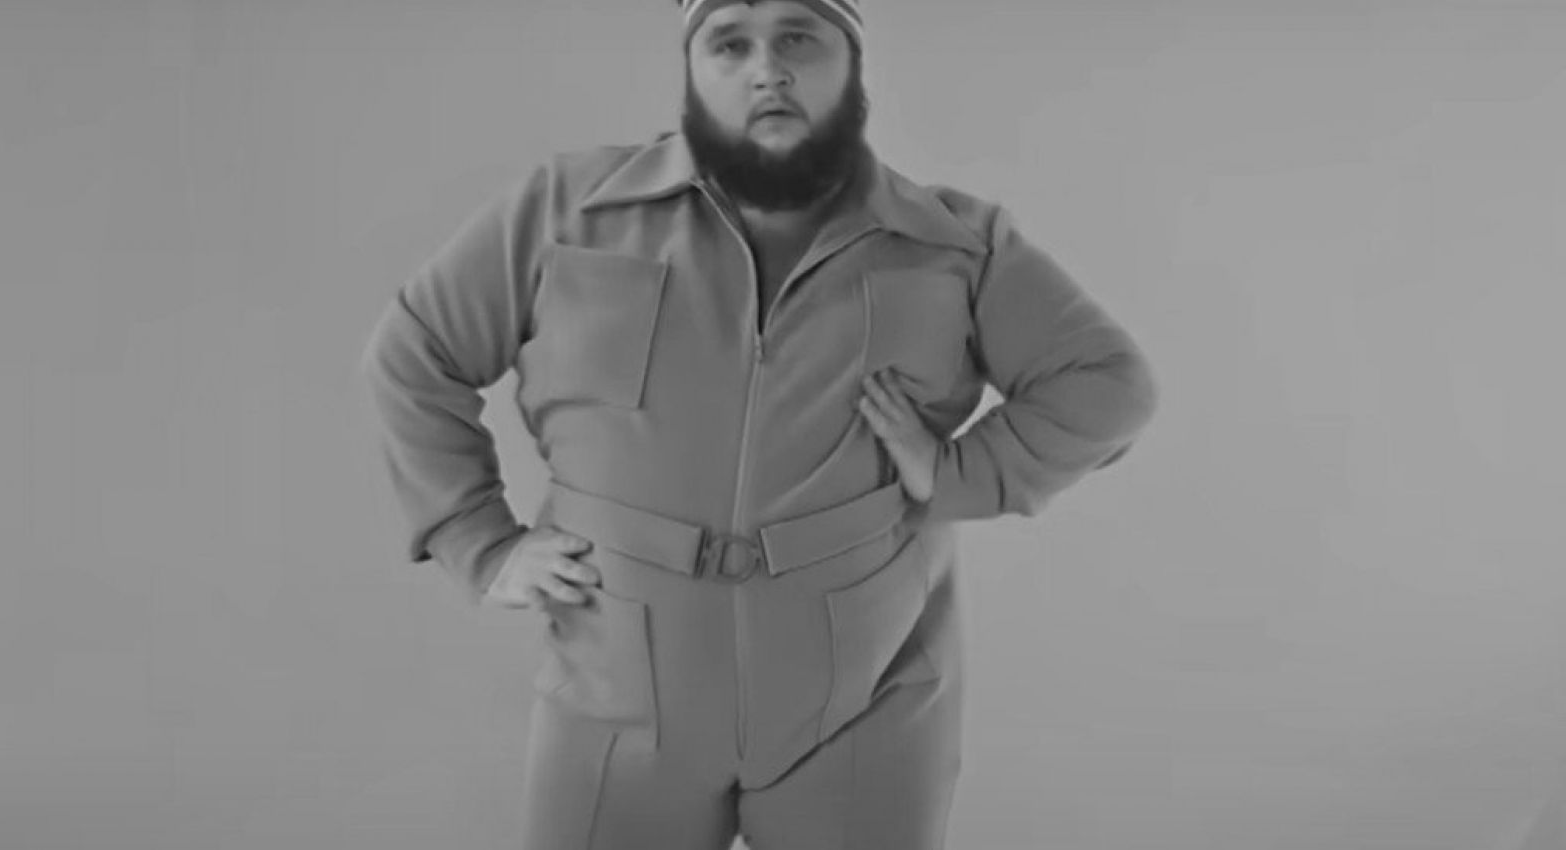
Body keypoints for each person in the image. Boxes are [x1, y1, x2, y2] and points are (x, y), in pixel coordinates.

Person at [358, 0, 1159, 847]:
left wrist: (957, 473)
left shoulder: (956, 243)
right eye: (730, 42)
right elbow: (415, 352)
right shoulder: (567, 208)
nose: (767, 69)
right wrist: (478, 540)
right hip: (614, 693)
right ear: (692, 70)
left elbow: (1109, 383)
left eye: (798, 37)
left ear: (853, 64)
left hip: (867, 701)